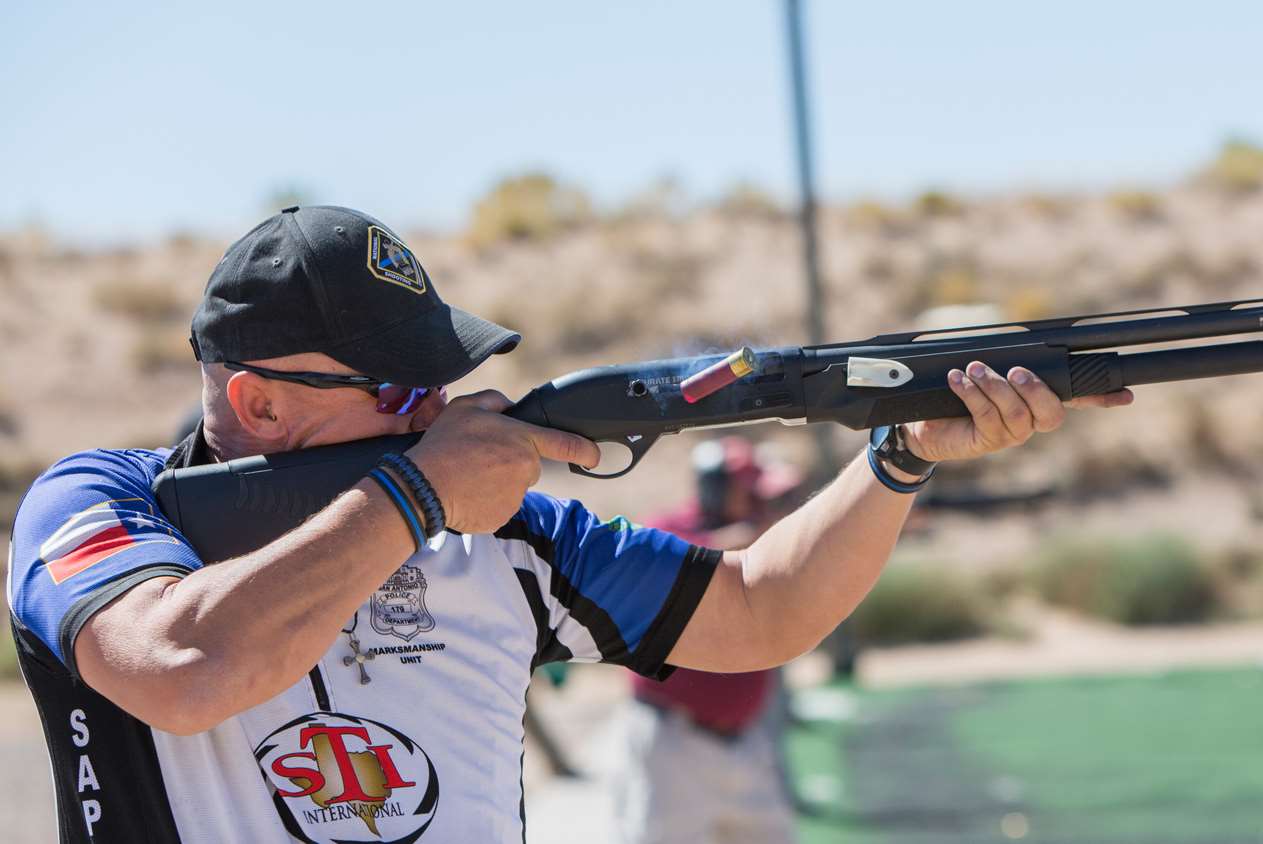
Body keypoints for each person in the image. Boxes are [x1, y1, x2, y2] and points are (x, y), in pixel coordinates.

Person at [5, 206, 1131, 844]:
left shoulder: (502, 535)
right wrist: (415, 496)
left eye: (439, 383)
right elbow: (181, 667)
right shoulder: (108, 504)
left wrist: (897, 459)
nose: (437, 413)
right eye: (402, 393)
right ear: (259, 402)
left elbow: (759, 609)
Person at [616, 437, 804, 844]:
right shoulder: (668, 529)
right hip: (674, 741)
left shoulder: (763, 538)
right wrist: (752, 542)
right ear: (716, 488)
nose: (758, 503)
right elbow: (682, 566)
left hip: (747, 739)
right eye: (749, 492)